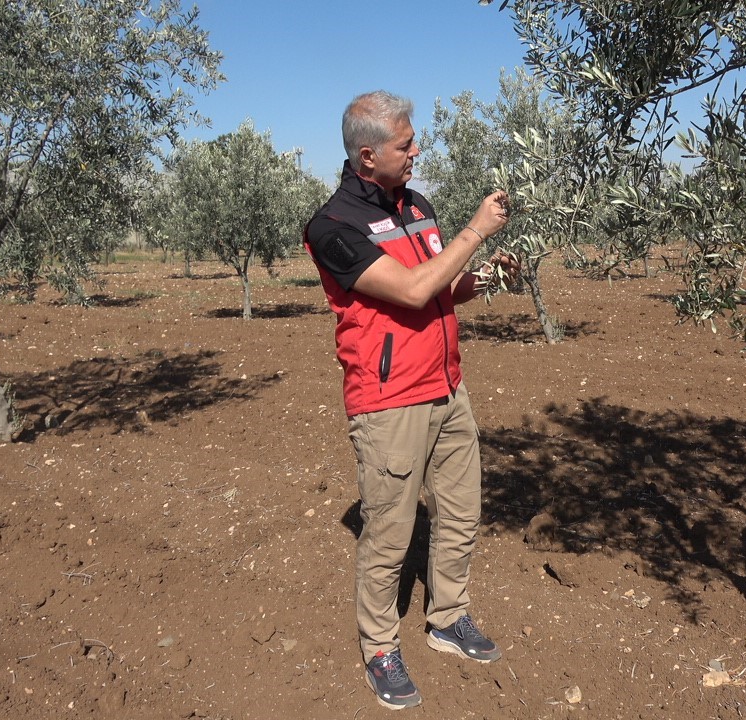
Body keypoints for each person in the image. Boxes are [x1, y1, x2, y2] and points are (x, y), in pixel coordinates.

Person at [303, 90, 519, 710]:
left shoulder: (416, 206)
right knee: (390, 534)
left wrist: (485, 276)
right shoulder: (333, 227)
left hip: (448, 388)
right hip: (389, 401)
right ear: (367, 155)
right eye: (406, 144)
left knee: (459, 513)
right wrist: (477, 228)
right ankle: (379, 648)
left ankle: (448, 617)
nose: (416, 150)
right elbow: (411, 289)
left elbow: (443, 287)